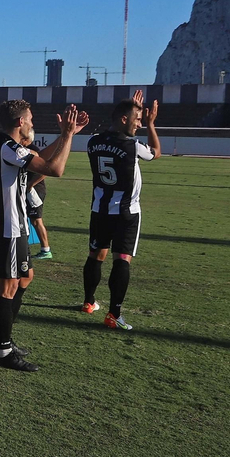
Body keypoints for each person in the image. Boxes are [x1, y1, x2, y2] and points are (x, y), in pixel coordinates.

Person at [0, 100, 88, 371]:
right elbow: (55, 169)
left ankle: (2, 339)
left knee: (25, 277)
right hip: (6, 227)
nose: (32, 123)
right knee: (6, 287)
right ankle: (3, 350)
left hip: (15, 225)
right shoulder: (8, 148)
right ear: (20, 123)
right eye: (30, 119)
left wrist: (68, 134)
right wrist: (66, 136)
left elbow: (41, 158)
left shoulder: (8, 147)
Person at [82, 91, 161, 330]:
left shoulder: (93, 141)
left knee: (95, 255)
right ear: (124, 119)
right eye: (137, 119)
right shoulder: (133, 145)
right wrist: (151, 124)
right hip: (126, 213)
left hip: (99, 210)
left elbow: (111, 139)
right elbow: (156, 152)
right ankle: (114, 314)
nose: (139, 123)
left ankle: (88, 302)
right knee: (122, 259)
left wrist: (134, 109)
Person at [21, 125, 52, 260]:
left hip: (35, 190)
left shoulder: (33, 151)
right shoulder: (23, 149)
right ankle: (24, 244)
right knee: (28, 218)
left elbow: (45, 171)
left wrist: (31, 185)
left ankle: (46, 250)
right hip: (28, 189)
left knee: (36, 220)